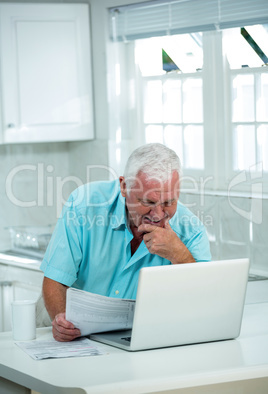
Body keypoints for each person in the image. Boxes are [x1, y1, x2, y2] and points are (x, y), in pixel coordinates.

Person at [40, 143, 211, 341]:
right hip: (75, 335)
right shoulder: (83, 205)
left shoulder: (191, 230)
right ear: (124, 186)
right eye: (147, 202)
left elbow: (205, 303)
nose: (157, 214)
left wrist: (179, 255)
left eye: (168, 202)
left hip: (138, 339)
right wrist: (63, 322)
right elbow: (55, 280)